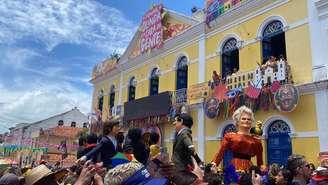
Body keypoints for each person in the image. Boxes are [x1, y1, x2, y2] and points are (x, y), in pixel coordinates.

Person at [212, 105, 263, 171]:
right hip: (234, 166)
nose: (246, 121)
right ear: (237, 121)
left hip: (249, 168)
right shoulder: (230, 136)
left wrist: (261, 172)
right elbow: (221, 152)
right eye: (243, 119)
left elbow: (260, 160)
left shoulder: (256, 141)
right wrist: (213, 165)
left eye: (249, 119)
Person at [171, 113, 203, 185]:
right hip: (180, 167)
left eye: (176, 121)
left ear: (181, 121)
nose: (174, 123)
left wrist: (198, 161)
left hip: (180, 168)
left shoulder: (184, 133)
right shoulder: (180, 134)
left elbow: (191, 148)